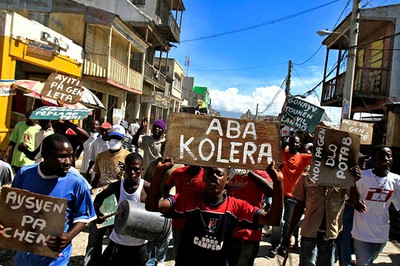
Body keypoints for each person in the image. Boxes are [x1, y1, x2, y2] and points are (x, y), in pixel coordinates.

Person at [145, 157, 284, 265]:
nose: (214, 176)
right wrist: (160, 171)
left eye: (219, 173)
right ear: (203, 177)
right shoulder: (188, 200)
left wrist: (278, 183)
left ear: (227, 180)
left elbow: (273, 219)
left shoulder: (236, 207)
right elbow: (152, 206)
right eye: (210, 173)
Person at [11, 134, 96, 265]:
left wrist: (67, 237)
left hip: (55, 259)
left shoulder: (77, 182)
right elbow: (12, 208)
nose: (69, 161)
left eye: (70, 155)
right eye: (62, 156)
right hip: (23, 258)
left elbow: (84, 216)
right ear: (45, 155)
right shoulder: (24, 174)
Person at [284, 160, 361, 266]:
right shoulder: (308, 175)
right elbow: (299, 206)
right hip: (309, 233)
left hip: (330, 234)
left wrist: (353, 181)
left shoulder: (344, 176)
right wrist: (290, 234)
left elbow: (354, 202)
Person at [85, 124, 131, 266]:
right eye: (112, 137)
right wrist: (93, 194)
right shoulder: (101, 156)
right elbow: (97, 178)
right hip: (101, 200)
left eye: (117, 138)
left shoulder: (127, 157)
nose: (114, 141)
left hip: (117, 202)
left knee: (116, 238)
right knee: (95, 238)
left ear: (122, 140)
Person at [94, 153, 151, 266]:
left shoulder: (147, 188)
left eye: (136, 169)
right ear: (124, 168)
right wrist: (98, 213)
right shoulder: (117, 186)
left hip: (139, 245)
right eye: (129, 169)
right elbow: (98, 199)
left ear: (142, 169)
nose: (132, 173)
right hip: (118, 243)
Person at [349, 145, 400, 266]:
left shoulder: (396, 180)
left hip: (381, 235)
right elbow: (349, 199)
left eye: (389, 156)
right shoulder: (362, 177)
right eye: (382, 156)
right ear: (374, 159)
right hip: (361, 233)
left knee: (368, 261)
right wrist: (356, 202)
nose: (386, 159)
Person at [268, 134, 312, 258]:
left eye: (297, 143)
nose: (295, 145)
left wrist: (314, 138)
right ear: (288, 143)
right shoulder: (282, 154)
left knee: (289, 223)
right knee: (278, 222)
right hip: (281, 195)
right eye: (292, 142)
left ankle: (284, 245)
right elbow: (273, 145)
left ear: (300, 144)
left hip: (295, 197)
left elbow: (318, 156)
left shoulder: (303, 158)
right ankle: (275, 246)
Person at [226, 169, 273, 266]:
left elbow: (271, 190)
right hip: (225, 231)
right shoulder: (226, 170)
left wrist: (249, 171)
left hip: (247, 234)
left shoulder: (258, 172)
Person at [163, 165, 205, 258]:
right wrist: (170, 206)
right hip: (179, 224)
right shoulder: (178, 173)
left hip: (198, 225)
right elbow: (166, 187)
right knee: (179, 255)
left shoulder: (206, 175)